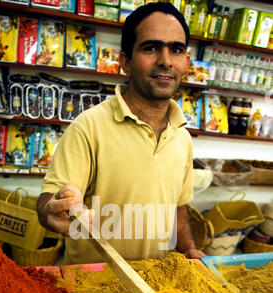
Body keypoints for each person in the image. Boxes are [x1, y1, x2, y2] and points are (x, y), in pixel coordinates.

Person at [37, 2, 205, 265]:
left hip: (155, 287)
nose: (164, 60)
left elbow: (178, 209)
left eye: (176, 49)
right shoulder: (89, 127)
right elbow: (50, 200)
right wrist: (53, 208)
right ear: (125, 62)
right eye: (150, 48)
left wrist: (190, 249)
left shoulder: (182, 136)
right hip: (92, 288)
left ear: (186, 61)